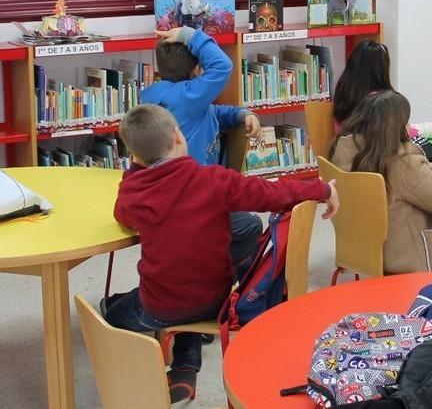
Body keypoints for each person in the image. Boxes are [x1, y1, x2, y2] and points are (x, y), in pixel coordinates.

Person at [104, 104, 339, 403]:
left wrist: (135, 171)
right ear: (178, 136)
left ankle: (179, 367)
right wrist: (323, 191)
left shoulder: (135, 192)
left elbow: (122, 216)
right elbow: (272, 193)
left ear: (133, 155)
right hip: (216, 300)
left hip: (161, 305)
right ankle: (184, 368)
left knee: (112, 313)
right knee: (188, 280)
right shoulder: (215, 180)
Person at [142, 26, 264, 270]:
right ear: (197, 69)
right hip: (194, 204)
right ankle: (214, 274)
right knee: (251, 225)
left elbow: (212, 113)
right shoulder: (189, 96)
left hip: (164, 199)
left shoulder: (155, 96)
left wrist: (241, 114)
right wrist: (190, 35)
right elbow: (222, 65)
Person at [329, 90, 432, 273]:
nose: (409, 126)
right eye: (406, 121)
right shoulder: (402, 162)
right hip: (410, 258)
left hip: (364, 250)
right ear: (395, 127)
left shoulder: (343, 150)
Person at [331, 39, 432, 157]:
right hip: (376, 161)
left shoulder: (342, 88)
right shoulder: (380, 102)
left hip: (348, 158)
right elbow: (398, 135)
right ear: (380, 70)